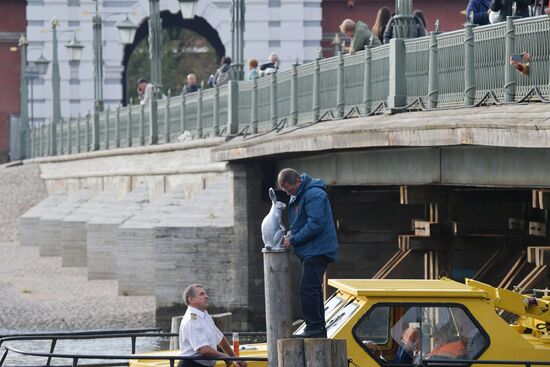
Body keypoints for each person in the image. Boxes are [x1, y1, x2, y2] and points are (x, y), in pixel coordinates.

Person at [279, 168, 339, 338]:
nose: (288, 193)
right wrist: (291, 233)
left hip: (318, 250)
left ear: (298, 181)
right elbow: (301, 222)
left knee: (308, 289)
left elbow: (316, 224)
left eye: (289, 190)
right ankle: (317, 328)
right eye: (285, 191)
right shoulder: (301, 194)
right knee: (313, 289)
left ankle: (314, 328)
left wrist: (293, 240)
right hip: (312, 250)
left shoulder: (313, 195)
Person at [179, 284, 247, 367]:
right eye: (202, 294)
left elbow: (220, 338)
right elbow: (204, 350)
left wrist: (234, 357)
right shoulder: (191, 319)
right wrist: (226, 357)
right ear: (191, 299)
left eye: (205, 293)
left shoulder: (204, 315)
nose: (206, 296)